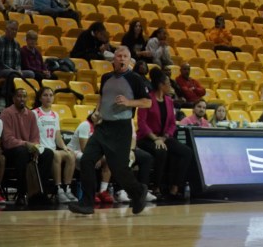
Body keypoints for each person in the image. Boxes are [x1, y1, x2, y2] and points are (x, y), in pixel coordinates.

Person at [68, 46, 151, 215]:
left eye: (125, 56)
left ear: (129, 60)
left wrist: (129, 102)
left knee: (119, 169)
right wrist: (97, 112)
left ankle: (138, 191)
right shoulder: (106, 77)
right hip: (103, 126)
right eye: (118, 56)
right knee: (86, 160)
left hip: (121, 129)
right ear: (113, 59)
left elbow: (147, 102)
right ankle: (87, 202)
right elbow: (102, 98)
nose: (121, 59)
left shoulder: (135, 79)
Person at [136, 68, 193, 200]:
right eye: (168, 83)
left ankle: (175, 186)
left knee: (186, 152)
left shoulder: (169, 101)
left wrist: (165, 136)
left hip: (163, 137)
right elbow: (142, 123)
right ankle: (156, 187)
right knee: (161, 151)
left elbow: (172, 123)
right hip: (147, 138)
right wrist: (156, 139)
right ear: (161, 85)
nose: (171, 86)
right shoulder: (147, 99)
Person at [1, 88, 54, 206]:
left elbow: (35, 137)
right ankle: (21, 194)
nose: (22, 99)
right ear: (13, 98)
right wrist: (26, 144)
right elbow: (7, 140)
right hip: (11, 150)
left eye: (24, 96)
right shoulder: (6, 113)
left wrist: (35, 148)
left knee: (48, 153)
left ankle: (41, 194)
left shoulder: (31, 114)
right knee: (22, 152)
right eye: (19, 96)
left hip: (28, 148)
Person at [33, 86, 78, 203]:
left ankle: (67, 188)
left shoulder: (55, 115)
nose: (48, 98)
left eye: (51, 95)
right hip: (42, 149)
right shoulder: (35, 113)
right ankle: (58, 190)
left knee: (71, 155)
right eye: (45, 95)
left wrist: (64, 147)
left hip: (53, 148)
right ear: (40, 98)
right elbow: (32, 134)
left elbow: (57, 136)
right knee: (57, 155)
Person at [66, 110, 114, 204]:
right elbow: (84, 148)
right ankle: (90, 193)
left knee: (109, 159)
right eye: (95, 113)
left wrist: (100, 157)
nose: (97, 116)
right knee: (89, 160)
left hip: (91, 153)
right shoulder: (85, 125)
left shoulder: (102, 128)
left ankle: (102, 191)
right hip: (75, 152)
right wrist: (96, 157)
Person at [0, 20, 36, 98]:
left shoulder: (16, 44)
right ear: (6, 29)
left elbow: (18, 62)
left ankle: (24, 96)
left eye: (16, 30)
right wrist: (14, 71)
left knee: (31, 74)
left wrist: (18, 70)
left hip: (13, 71)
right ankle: (4, 95)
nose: (14, 31)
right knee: (12, 73)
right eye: (12, 29)